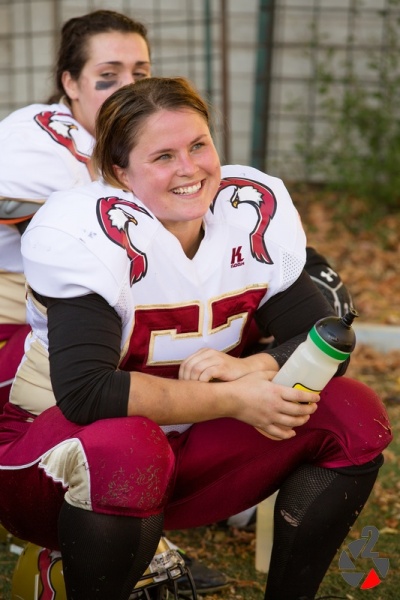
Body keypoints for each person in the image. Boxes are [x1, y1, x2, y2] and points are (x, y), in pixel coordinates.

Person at [0, 76, 392, 600]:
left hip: (182, 441)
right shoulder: (84, 229)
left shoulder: (248, 210)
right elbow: (87, 392)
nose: (190, 169)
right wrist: (231, 398)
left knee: (349, 413)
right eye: (163, 155)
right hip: (52, 452)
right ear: (120, 171)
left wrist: (252, 369)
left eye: (198, 145)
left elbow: (323, 339)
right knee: (129, 446)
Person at [0, 10, 226, 594]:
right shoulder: (42, 141)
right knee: (86, 370)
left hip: (100, 311)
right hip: (14, 320)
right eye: (108, 76)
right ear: (69, 84)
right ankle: (91, 527)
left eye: (140, 70)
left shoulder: (150, 136)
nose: (128, 87)